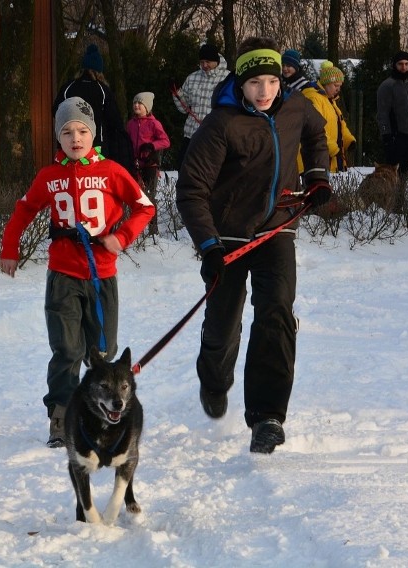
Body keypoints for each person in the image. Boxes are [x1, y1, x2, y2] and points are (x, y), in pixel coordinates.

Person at [175, 36, 331, 455]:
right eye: (255, 82)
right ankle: (214, 377)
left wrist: (317, 176)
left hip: (276, 228)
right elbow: (190, 191)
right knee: (223, 321)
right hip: (226, 236)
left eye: (271, 80)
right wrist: (208, 246)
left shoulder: (296, 107)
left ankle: (267, 416)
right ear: (240, 83)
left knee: (277, 312)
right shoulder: (220, 125)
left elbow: (319, 133)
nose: (264, 91)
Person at [0, 97, 155, 448]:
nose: (75, 138)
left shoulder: (112, 171)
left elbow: (145, 207)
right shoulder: (49, 176)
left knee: (103, 349)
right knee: (67, 349)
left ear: (93, 134)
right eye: (67, 132)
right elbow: (23, 210)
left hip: (102, 275)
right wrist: (10, 248)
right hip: (63, 277)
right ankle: (62, 416)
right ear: (58, 137)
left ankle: (102, 409)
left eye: (82, 131)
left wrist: (122, 236)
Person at [53, 44, 133, 169]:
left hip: (69, 144)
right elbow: (114, 120)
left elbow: (55, 111)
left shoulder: (68, 88)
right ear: (99, 71)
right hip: (97, 147)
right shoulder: (102, 89)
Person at [171, 43, 230, 168]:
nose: (204, 65)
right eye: (202, 62)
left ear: (216, 60)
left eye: (207, 62)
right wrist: (177, 93)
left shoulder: (227, 78)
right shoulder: (192, 78)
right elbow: (184, 108)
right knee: (183, 167)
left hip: (214, 135)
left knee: (209, 170)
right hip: (192, 134)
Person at [126, 91, 170, 235]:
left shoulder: (154, 123)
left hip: (150, 164)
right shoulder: (131, 124)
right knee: (136, 195)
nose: (137, 105)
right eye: (135, 103)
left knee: (150, 195)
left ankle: (153, 228)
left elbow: (165, 141)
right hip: (135, 164)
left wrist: (152, 146)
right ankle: (135, 226)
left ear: (147, 107)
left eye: (140, 103)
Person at [300, 61, 356, 172]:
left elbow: (340, 124)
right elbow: (316, 127)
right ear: (326, 83)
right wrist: (332, 148)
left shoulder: (330, 101)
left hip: (331, 156)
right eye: (336, 85)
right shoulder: (314, 98)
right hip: (319, 156)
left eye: (340, 86)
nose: (338, 89)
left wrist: (348, 141)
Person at [376, 51, 408, 178]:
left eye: (407, 64)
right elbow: (382, 113)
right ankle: (392, 198)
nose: (404, 67)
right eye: (400, 64)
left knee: (405, 173)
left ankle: (401, 198)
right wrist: (387, 135)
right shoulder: (387, 86)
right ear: (394, 65)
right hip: (396, 136)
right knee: (392, 174)